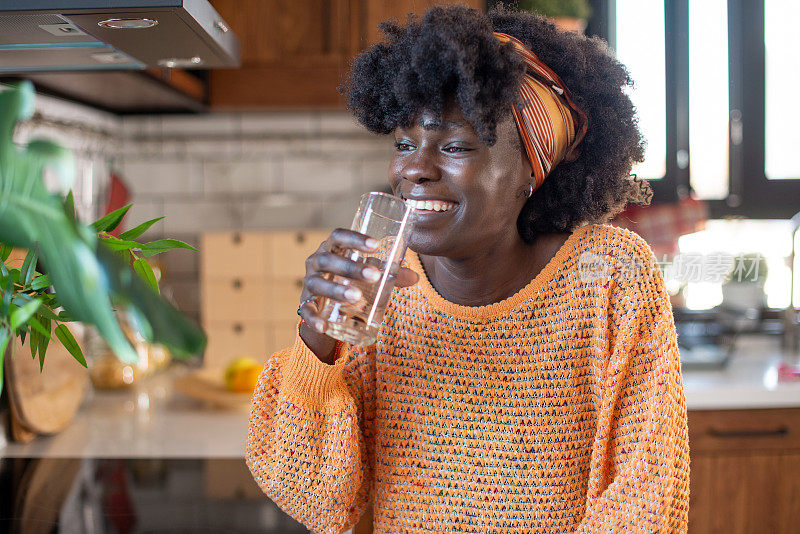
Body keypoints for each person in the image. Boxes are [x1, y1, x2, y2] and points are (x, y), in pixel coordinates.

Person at [246, 5, 689, 533]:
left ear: (532, 167)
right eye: (406, 143)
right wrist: (315, 344)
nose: (413, 167)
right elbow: (317, 502)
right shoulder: (377, 289)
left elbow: (645, 500)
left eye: (456, 145)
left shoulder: (608, 276)